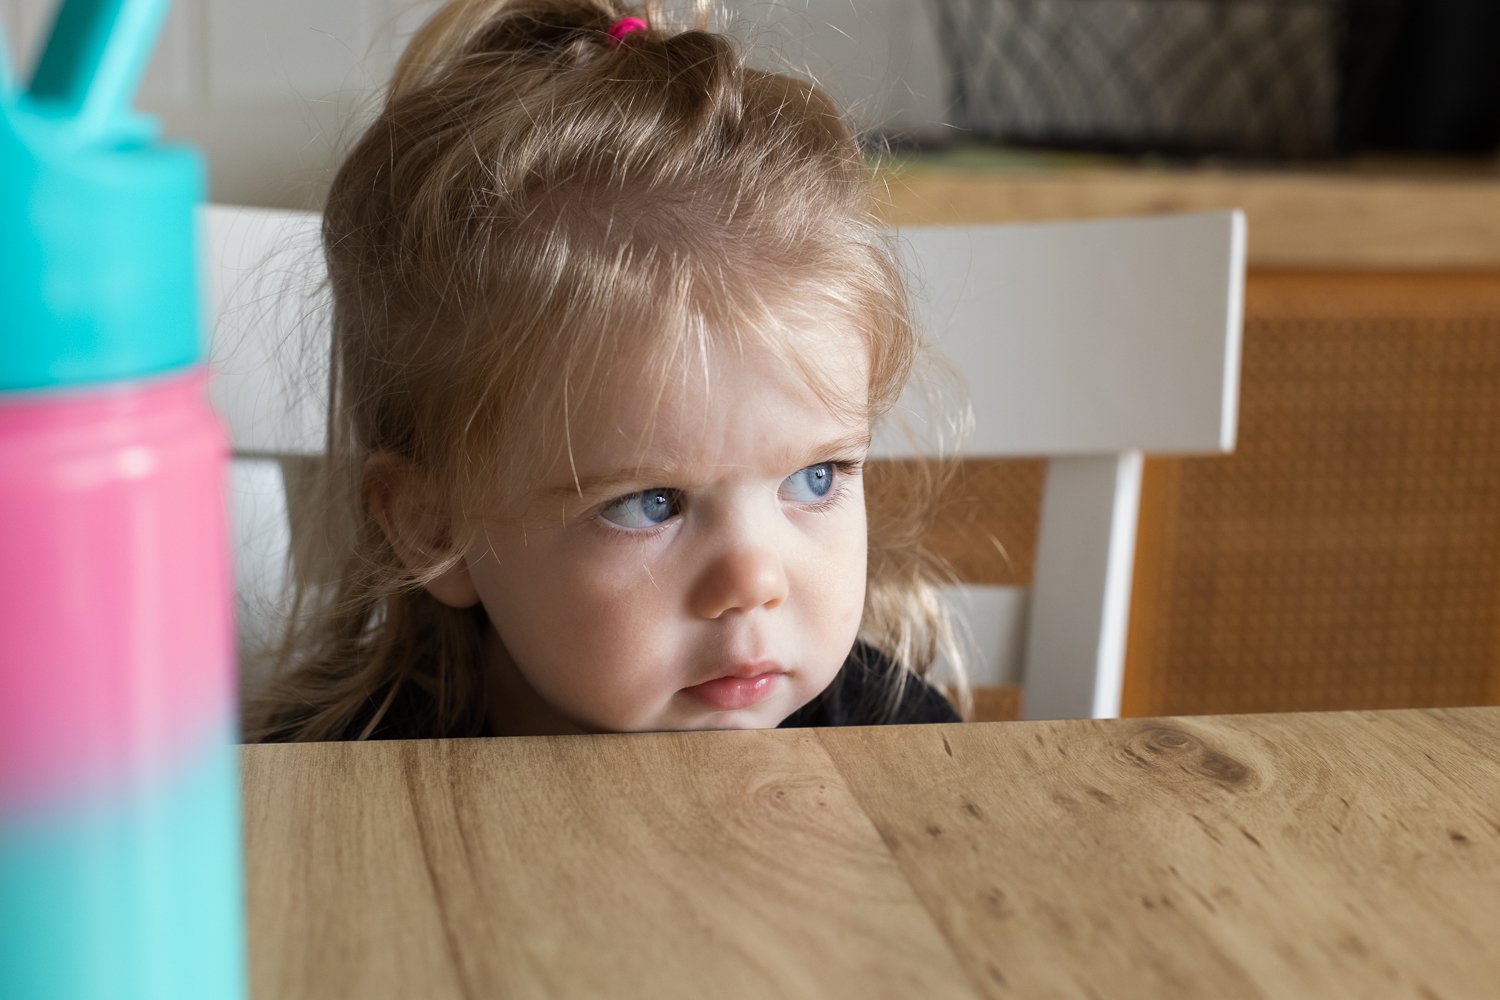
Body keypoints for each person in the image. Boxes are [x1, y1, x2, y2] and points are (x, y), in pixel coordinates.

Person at [244, 0, 969, 742]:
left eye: (815, 479)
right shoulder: (335, 782)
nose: (756, 582)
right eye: (651, 504)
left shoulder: (897, 744)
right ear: (436, 528)